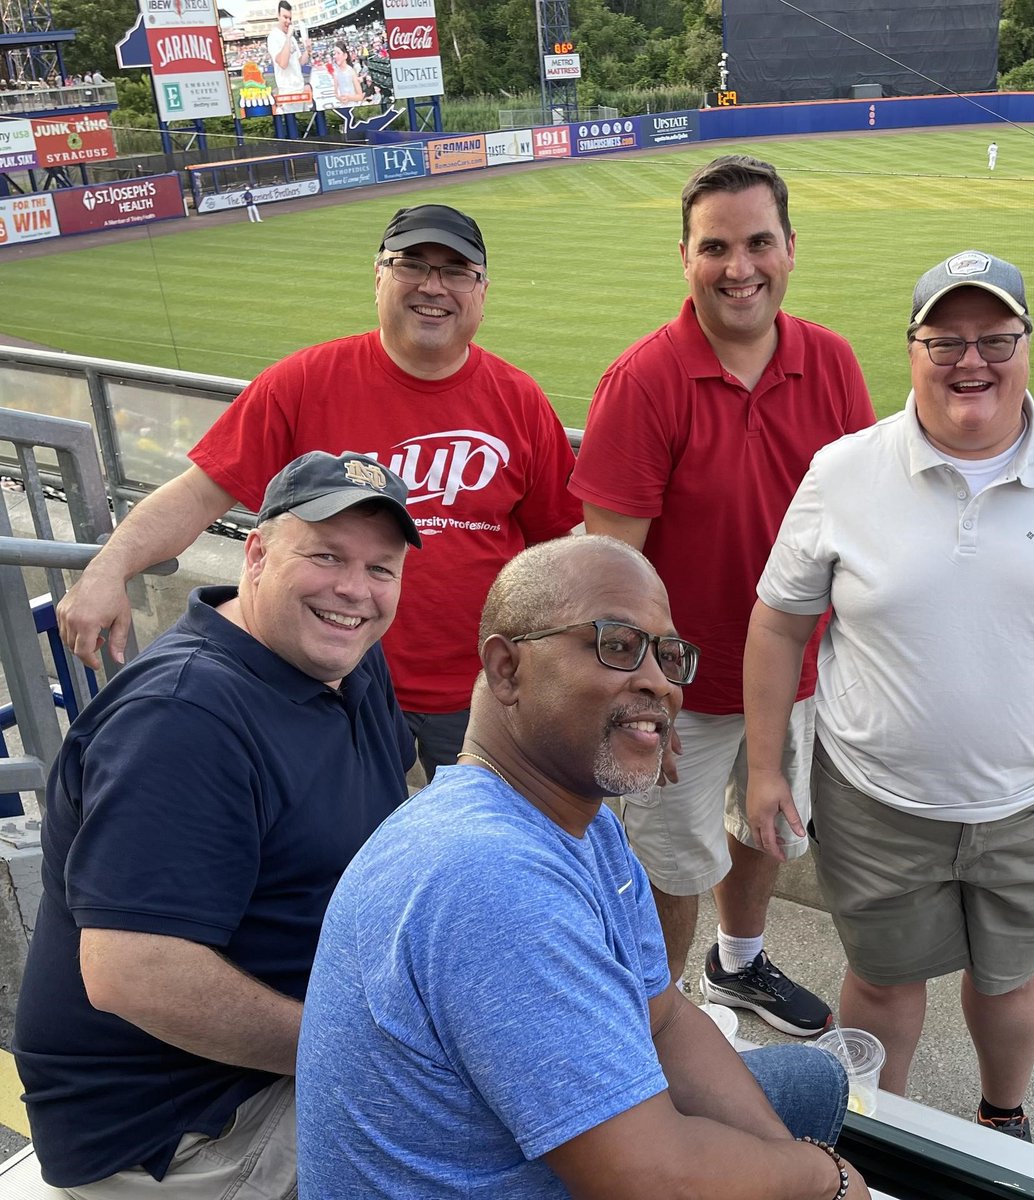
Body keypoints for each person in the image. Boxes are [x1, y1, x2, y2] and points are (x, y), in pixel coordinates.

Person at [743, 249, 1034, 1142]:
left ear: (1025, 345)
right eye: (945, 340)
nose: (970, 361)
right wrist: (763, 767)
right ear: (912, 350)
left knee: (1012, 978)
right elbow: (778, 621)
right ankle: (881, 1133)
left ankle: (1000, 1118)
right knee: (880, 981)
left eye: (994, 339)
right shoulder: (844, 471)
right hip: (873, 801)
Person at [296, 535, 868, 1200]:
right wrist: (824, 1178)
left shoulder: (581, 821)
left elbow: (663, 1018)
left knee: (816, 1084)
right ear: (507, 669)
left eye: (668, 655)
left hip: (541, 1157)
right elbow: (648, 1178)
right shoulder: (490, 877)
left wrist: (792, 1170)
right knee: (810, 1132)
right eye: (618, 646)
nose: (658, 681)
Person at [14, 451, 422, 1196]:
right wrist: (368, 1048)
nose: (354, 591)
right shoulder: (182, 718)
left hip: (280, 1055)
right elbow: (133, 975)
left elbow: (395, 828)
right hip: (183, 1125)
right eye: (326, 555)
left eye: (380, 568)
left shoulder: (346, 657)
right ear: (257, 554)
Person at [56, 203, 581, 780]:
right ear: (379, 276)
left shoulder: (520, 400)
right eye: (412, 265)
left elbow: (555, 552)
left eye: (457, 271)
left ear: (481, 291)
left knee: (487, 852)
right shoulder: (303, 382)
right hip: (329, 684)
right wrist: (109, 568)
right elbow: (200, 494)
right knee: (340, 850)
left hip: (476, 688)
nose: (434, 286)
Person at [570, 154, 874, 1034]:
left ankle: (738, 966)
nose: (738, 267)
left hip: (795, 675)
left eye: (757, 243)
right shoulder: (645, 381)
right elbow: (609, 573)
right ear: (686, 257)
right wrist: (638, 698)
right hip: (681, 690)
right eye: (716, 248)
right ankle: (658, 1020)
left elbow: (859, 517)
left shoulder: (831, 361)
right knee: (670, 863)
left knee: (767, 826)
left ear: (789, 249)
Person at [267, 0, 309, 94]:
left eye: (290, 18)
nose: (288, 21)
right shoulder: (273, 36)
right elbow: (283, 63)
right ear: (278, 15)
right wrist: (288, 37)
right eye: (285, 17)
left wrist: (308, 50)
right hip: (288, 91)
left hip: (300, 87)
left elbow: (300, 62)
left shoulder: (292, 39)